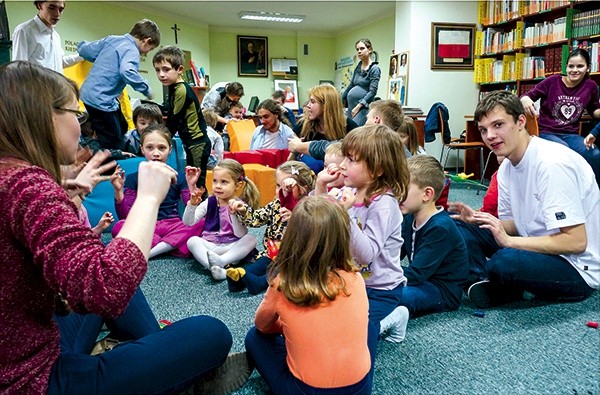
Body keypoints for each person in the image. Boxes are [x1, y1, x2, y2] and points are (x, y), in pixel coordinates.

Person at [0, 61, 252, 394]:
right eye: (75, 114)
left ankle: (160, 367)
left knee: (115, 259)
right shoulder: (26, 184)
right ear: (43, 116)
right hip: (31, 381)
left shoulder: (14, 178)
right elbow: (106, 287)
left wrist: (63, 197)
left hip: (22, 342)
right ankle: (173, 376)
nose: (80, 126)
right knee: (211, 333)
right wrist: (148, 197)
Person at [461, 90, 599, 308]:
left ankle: (496, 283)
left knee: (504, 261)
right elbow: (515, 225)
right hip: (534, 244)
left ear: (521, 121)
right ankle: (482, 282)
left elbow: (576, 241)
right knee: (458, 226)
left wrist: (509, 242)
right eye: (483, 130)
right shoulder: (507, 166)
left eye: (498, 125)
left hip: (576, 266)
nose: (490, 136)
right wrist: (477, 219)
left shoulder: (552, 164)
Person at [245, 196, 377, 394]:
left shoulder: (283, 283)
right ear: (343, 238)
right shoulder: (356, 278)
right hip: (360, 389)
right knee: (370, 327)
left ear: (292, 237)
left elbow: (262, 326)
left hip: (306, 391)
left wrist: (288, 327)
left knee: (254, 338)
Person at [315, 124, 411, 342]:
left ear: (377, 170)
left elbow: (366, 254)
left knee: (357, 332)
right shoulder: (347, 193)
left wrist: (345, 215)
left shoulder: (384, 205)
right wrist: (320, 186)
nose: (342, 165)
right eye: (345, 158)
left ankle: (392, 319)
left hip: (380, 289)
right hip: (349, 282)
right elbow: (316, 219)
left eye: (351, 160)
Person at [110, 123, 205, 258]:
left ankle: (155, 248)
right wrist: (118, 191)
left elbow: (191, 212)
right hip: (147, 226)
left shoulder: (179, 176)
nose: (156, 153)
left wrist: (191, 186)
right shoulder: (133, 178)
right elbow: (126, 217)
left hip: (173, 224)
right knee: (119, 226)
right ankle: (170, 246)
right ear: (142, 149)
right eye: (150, 148)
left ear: (170, 150)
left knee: (201, 222)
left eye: (162, 148)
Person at [226, 161, 316, 294]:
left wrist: (295, 219)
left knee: (282, 270)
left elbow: (313, 234)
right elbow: (257, 219)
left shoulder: (309, 207)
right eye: (278, 185)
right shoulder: (276, 203)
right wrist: (244, 210)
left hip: (294, 258)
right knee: (258, 265)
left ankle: (261, 283)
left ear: (303, 188)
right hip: (272, 252)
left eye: (287, 187)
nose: (281, 191)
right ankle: (238, 279)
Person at [399, 155, 469, 318]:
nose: (397, 193)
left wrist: (378, 274)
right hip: (422, 281)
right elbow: (395, 253)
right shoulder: (409, 218)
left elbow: (416, 275)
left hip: (441, 291)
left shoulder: (440, 227)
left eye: (403, 188)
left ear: (427, 194)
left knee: (396, 295)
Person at [520, 48, 600, 185]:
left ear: (588, 68)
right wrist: (525, 98)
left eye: (580, 66)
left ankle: (594, 193)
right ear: (566, 67)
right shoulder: (552, 81)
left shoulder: (590, 86)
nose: (575, 70)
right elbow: (526, 97)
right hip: (546, 132)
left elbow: (594, 110)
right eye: (571, 66)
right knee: (563, 151)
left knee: (595, 154)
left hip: (571, 134)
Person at [78, 19, 160, 151]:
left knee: (122, 125)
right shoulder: (132, 50)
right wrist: (146, 89)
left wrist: (81, 46)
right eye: (150, 49)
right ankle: (112, 165)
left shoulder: (112, 39)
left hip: (88, 95)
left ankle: (96, 138)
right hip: (101, 101)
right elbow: (127, 71)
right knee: (114, 140)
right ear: (146, 40)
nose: (146, 53)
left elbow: (87, 51)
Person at [183, 159, 260, 280]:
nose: (218, 186)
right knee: (192, 241)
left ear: (238, 185)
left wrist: (234, 214)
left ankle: (222, 261)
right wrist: (191, 205)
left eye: (224, 182)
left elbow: (241, 234)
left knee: (251, 239)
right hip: (210, 245)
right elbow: (188, 222)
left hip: (231, 246)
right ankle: (216, 267)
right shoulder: (210, 201)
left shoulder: (240, 205)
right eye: (215, 181)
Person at [153, 45, 211, 191]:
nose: (161, 74)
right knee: (193, 180)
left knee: (197, 183)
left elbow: (174, 120)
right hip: (192, 142)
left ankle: (204, 212)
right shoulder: (174, 88)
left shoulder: (181, 90)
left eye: (166, 69)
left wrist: (159, 140)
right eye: (157, 70)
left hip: (197, 142)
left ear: (179, 69)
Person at [449, 156, 504, 286]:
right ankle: (478, 278)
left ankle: (478, 276)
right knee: (454, 217)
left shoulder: (500, 175)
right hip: (499, 226)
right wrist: (476, 215)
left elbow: (490, 207)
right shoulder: (501, 174)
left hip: (510, 235)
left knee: (504, 261)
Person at [288, 84, 358, 172]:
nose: (308, 106)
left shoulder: (350, 127)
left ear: (326, 105)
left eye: (313, 102)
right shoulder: (303, 125)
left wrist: (300, 146)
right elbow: (291, 162)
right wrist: (295, 150)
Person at [11, 1, 82, 73]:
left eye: (60, 10)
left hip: (56, 83)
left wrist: (83, 55)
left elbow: (60, 62)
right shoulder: (24, 31)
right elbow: (19, 70)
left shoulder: (56, 36)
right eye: (52, 8)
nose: (57, 14)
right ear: (39, 6)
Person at [341, 38, 381, 126]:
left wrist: (359, 106)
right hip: (351, 108)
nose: (359, 51)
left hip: (362, 109)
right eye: (357, 49)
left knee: (356, 132)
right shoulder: (358, 67)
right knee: (349, 132)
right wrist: (339, 100)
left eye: (362, 48)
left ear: (369, 50)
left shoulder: (374, 69)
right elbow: (350, 86)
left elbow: (372, 92)